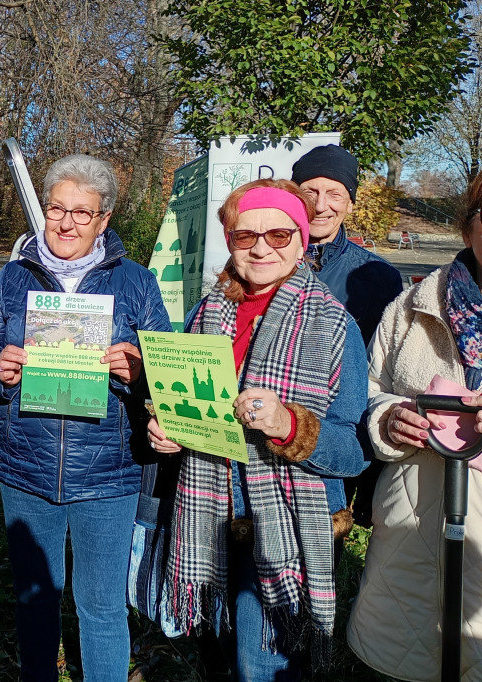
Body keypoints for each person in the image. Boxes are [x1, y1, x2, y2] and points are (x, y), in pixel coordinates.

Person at [148, 178, 368, 681]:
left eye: (279, 235)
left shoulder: (336, 326)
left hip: (285, 528)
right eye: (246, 236)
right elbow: (186, 402)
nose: (262, 248)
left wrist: (291, 425)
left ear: (302, 240)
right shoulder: (207, 314)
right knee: (222, 658)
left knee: (262, 666)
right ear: (230, 242)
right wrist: (168, 429)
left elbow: (354, 450)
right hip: (208, 518)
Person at [0, 154, 172, 680]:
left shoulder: (136, 283)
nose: (66, 223)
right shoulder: (15, 278)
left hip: (108, 473)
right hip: (25, 468)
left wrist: (138, 371)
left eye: (82, 213)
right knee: (34, 600)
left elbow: (169, 373)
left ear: (104, 220)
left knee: (102, 608)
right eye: (57, 209)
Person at [346, 175, 482, 680]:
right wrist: (388, 416)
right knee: (409, 658)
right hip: (416, 518)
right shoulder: (414, 304)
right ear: (469, 228)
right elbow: (369, 384)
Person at [291, 144, 403, 526]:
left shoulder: (377, 277)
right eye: (310, 191)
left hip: (335, 446)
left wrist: (370, 480)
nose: (321, 205)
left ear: (350, 204)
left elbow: (382, 376)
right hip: (266, 433)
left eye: (335, 193)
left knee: (321, 556)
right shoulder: (264, 258)